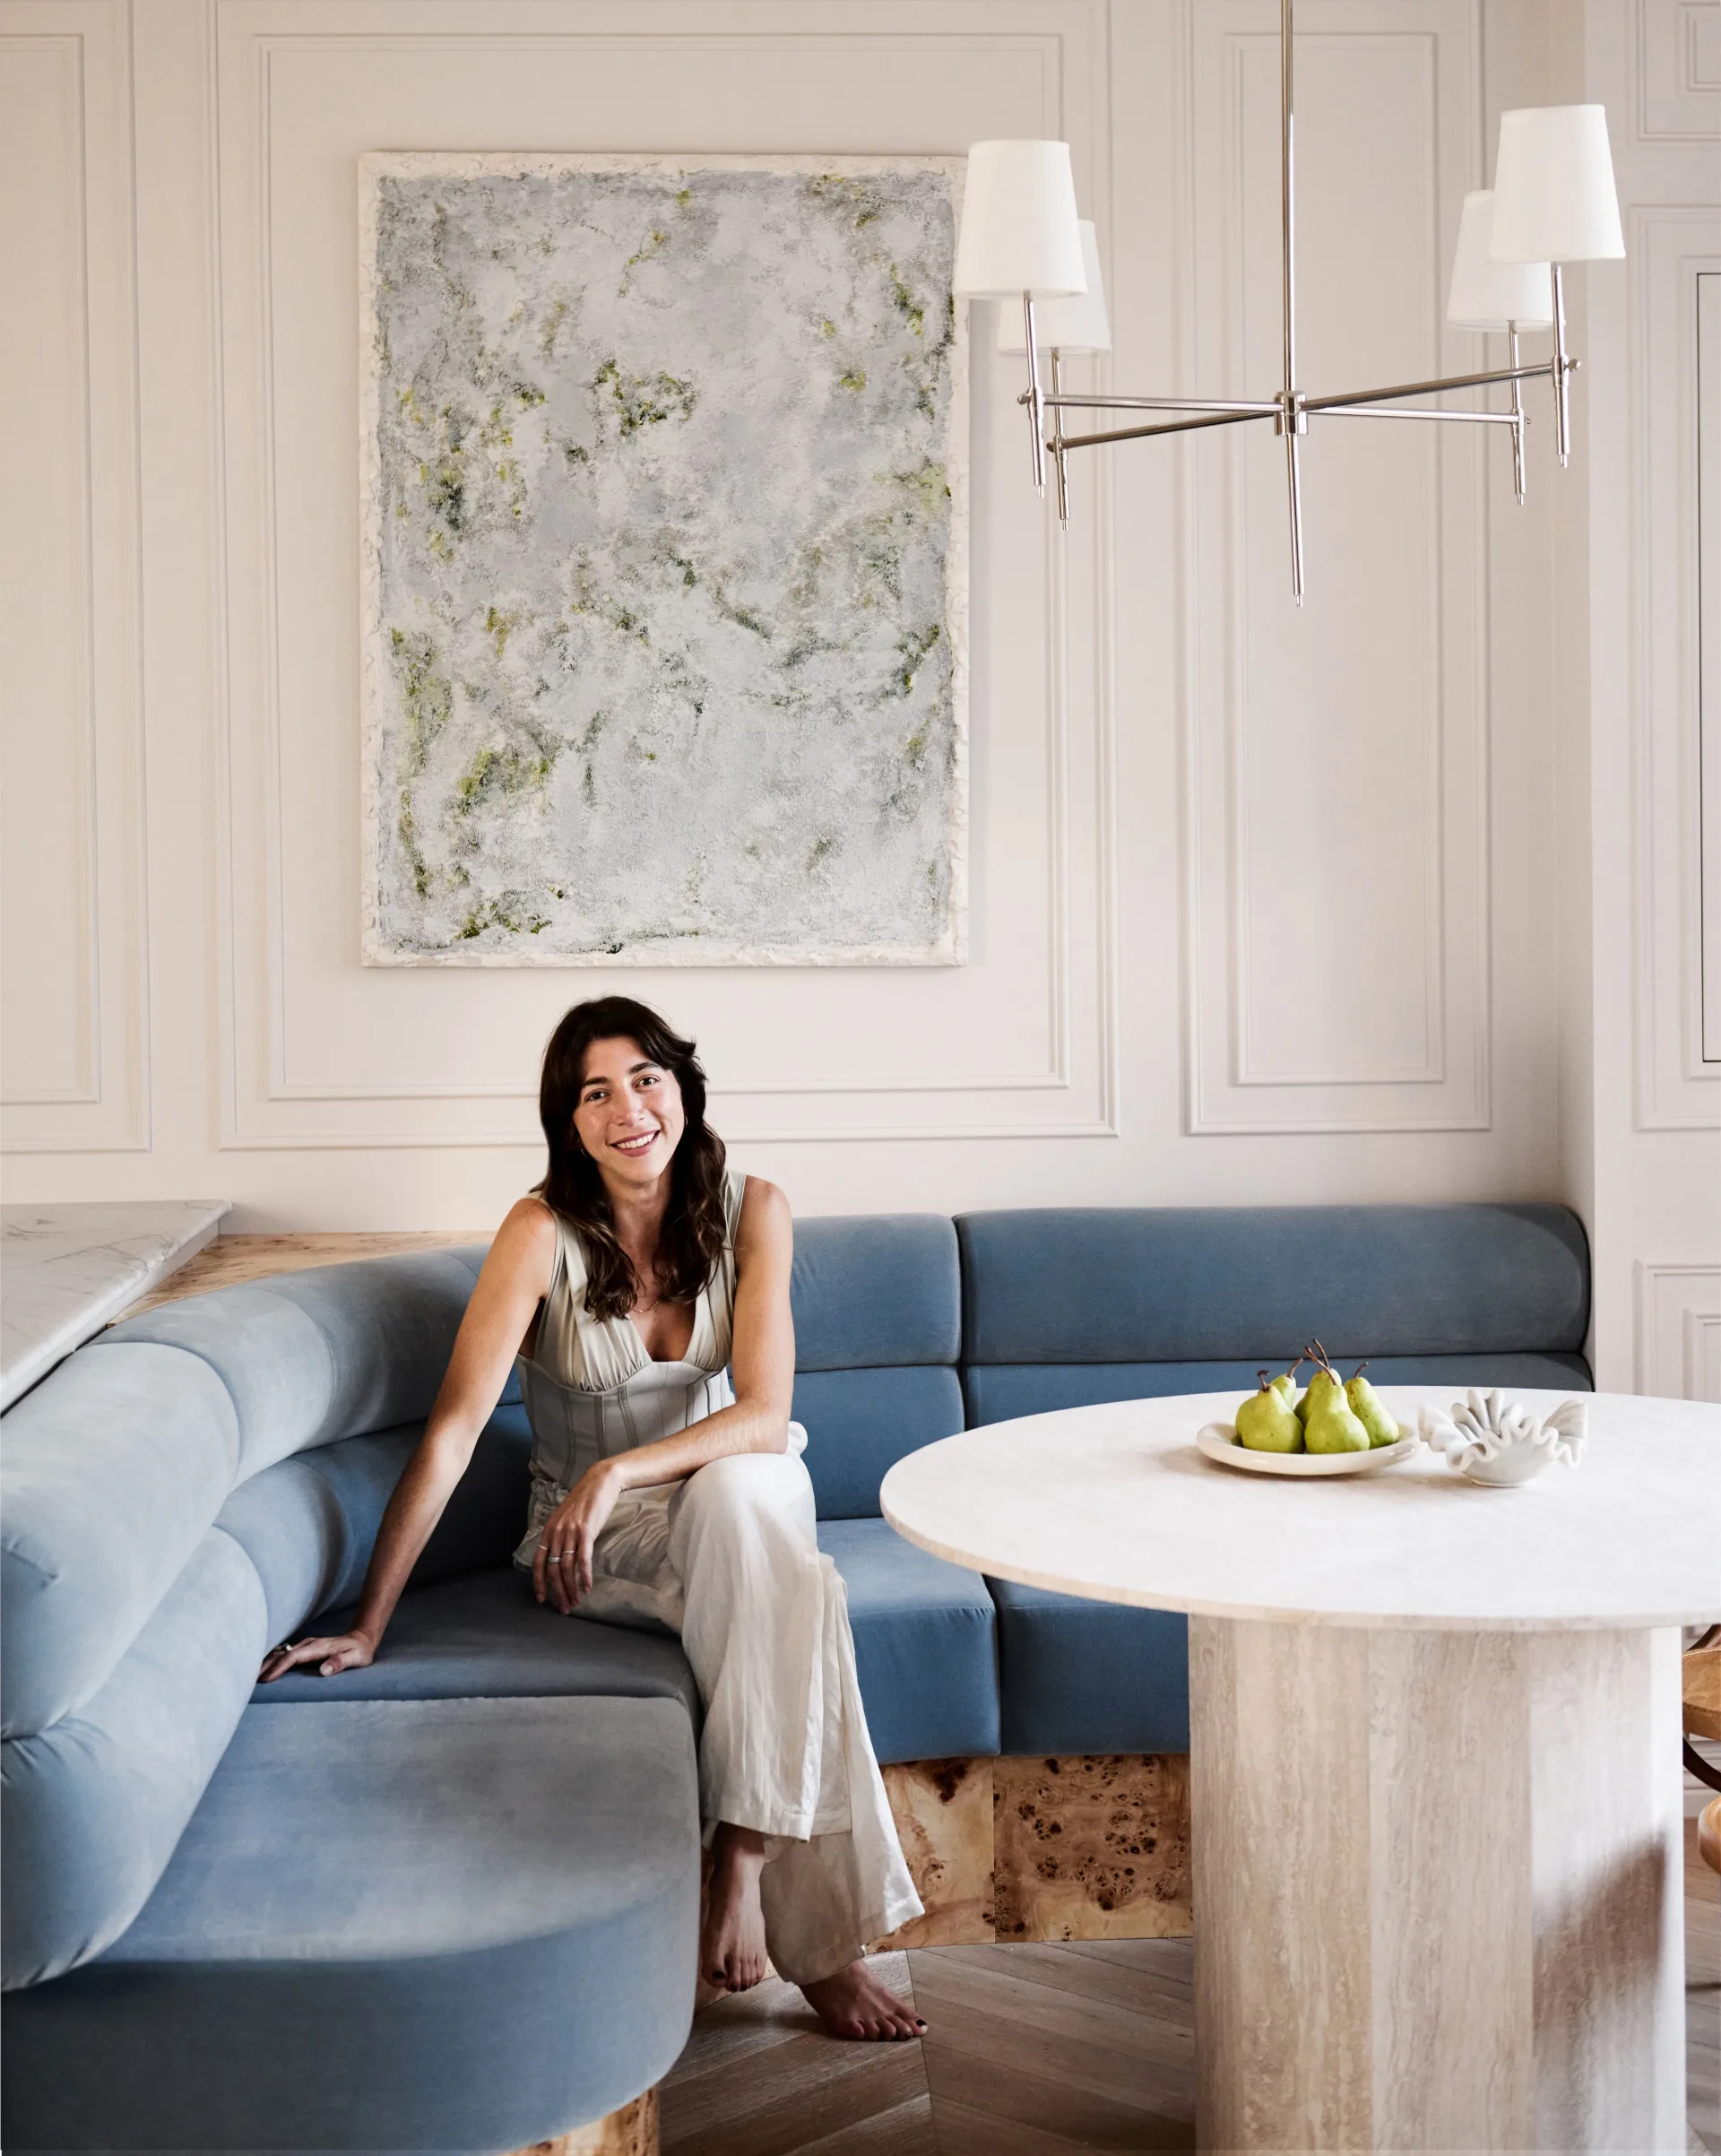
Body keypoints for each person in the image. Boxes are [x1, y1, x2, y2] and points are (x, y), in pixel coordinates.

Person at [260, 995, 925, 2041]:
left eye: (648, 1077)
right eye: (596, 1092)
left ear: (685, 1090)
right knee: (800, 1588)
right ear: (568, 1123)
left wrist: (618, 1465)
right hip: (593, 1541)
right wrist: (371, 1620)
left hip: (733, 1489)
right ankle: (827, 1955)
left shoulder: (758, 1211)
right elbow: (453, 1430)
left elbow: (763, 1416)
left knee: (751, 1505)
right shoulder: (539, 1232)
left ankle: (739, 1861)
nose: (629, 1108)